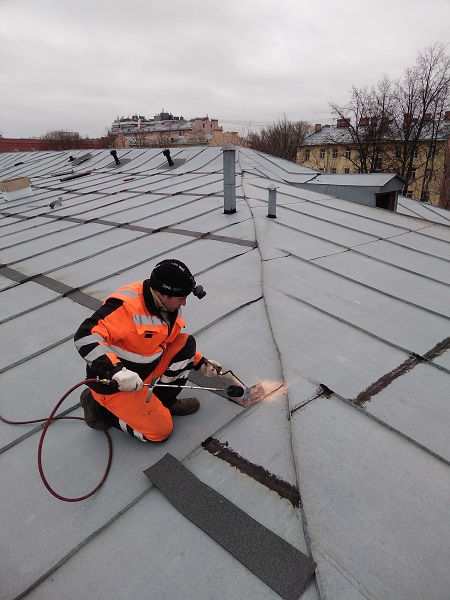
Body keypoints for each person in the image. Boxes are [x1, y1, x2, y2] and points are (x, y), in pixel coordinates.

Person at [74, 259, 222, 442]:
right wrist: (116, 372)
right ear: (162, 294)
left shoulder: (169, 306)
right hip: (118, 384)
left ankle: (165, 402)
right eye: (181, 298)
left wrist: (200, 363)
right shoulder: (126, 307)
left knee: (186, 344)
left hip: (146, 371)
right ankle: (97, 407)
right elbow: (85, 335)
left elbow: (169, 340)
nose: (184, 303)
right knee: (160, 432)